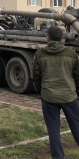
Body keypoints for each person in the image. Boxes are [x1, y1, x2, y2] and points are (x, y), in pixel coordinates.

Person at [33, 26, 79, 159]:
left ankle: (58, 156)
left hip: (48, 97)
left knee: (53, 129)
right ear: (62, 38)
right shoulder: (71, 53)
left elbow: (36, 76)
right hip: (69, 96)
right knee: (77, 125)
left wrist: (40, 92)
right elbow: (77, 75)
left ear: (48, 38)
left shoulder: (39, 54)